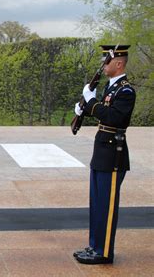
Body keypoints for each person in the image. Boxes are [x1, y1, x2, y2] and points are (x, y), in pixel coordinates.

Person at [73, 45, 136, 265]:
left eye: (106, 61)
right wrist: (84, 109)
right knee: (97, 203)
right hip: (101, 153)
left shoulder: (125, 91)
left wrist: (91, 103)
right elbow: (102, 113)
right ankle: (95, 246)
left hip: (113, 155)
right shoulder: (111, 88)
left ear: (119, 63)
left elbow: (114, 117)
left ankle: (104, 252)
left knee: (107, 207)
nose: (103, 65)